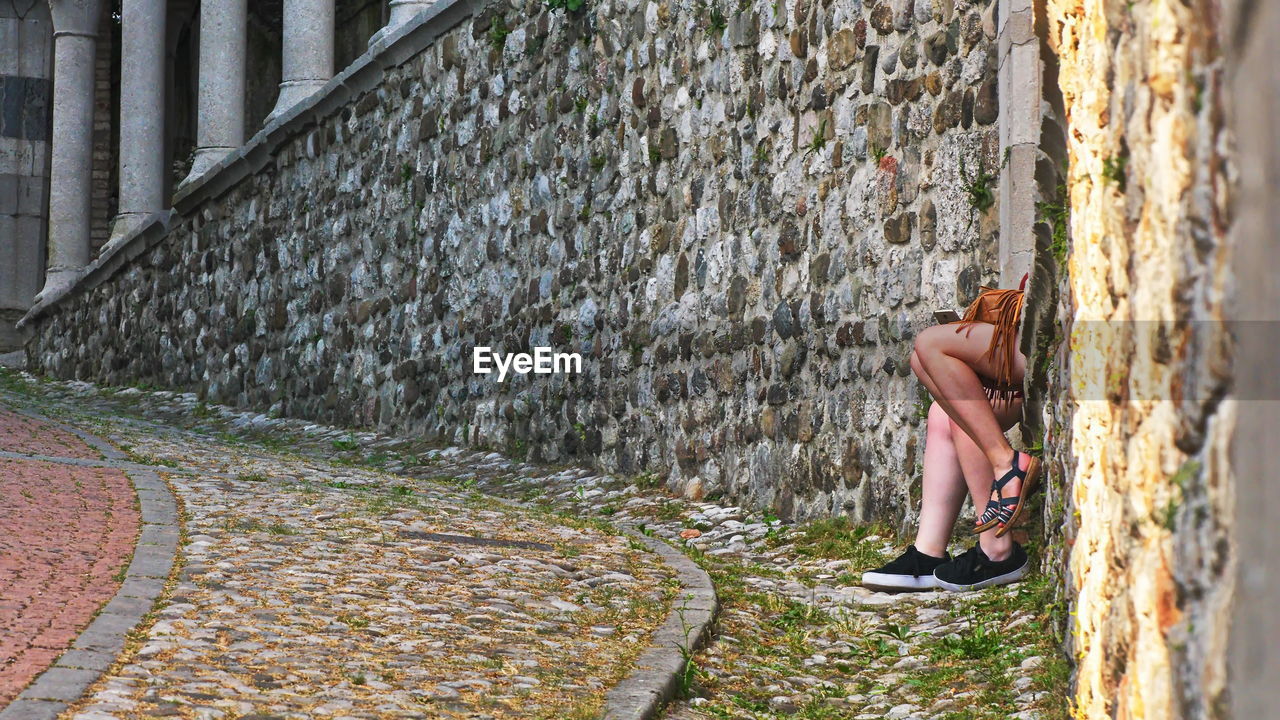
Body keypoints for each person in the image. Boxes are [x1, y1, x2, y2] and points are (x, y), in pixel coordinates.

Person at [863, 284, 1043, 592]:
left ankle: (999, 533)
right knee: (943, 408)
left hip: (1055, 342)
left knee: (931, 344)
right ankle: (928, 552)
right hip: (1030, 336)